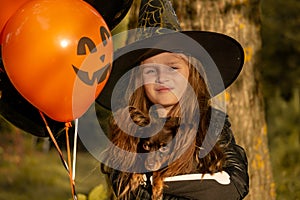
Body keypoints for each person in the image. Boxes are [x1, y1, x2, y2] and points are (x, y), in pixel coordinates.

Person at [96, 0, 249, 199]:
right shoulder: (128, 133)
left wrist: (155, 182)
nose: (162, 77)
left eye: (173, 67)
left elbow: (232, 185)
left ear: (191, 74)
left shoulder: (210, 123)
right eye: (150, 70)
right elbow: (128, 190)